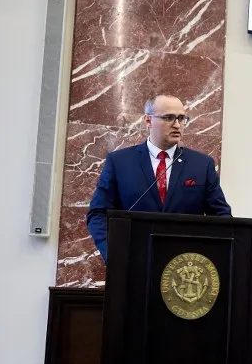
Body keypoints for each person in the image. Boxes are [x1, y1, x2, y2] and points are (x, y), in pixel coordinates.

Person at [86, 95, 232, 261]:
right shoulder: (119, 162)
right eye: (169, 118)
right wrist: (114, 254)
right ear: (148, 121)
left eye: (181, 118)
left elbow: (222, 217)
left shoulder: (202, 164)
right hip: (133, 262)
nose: (177, 125)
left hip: (185, 266)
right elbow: (98, 214)